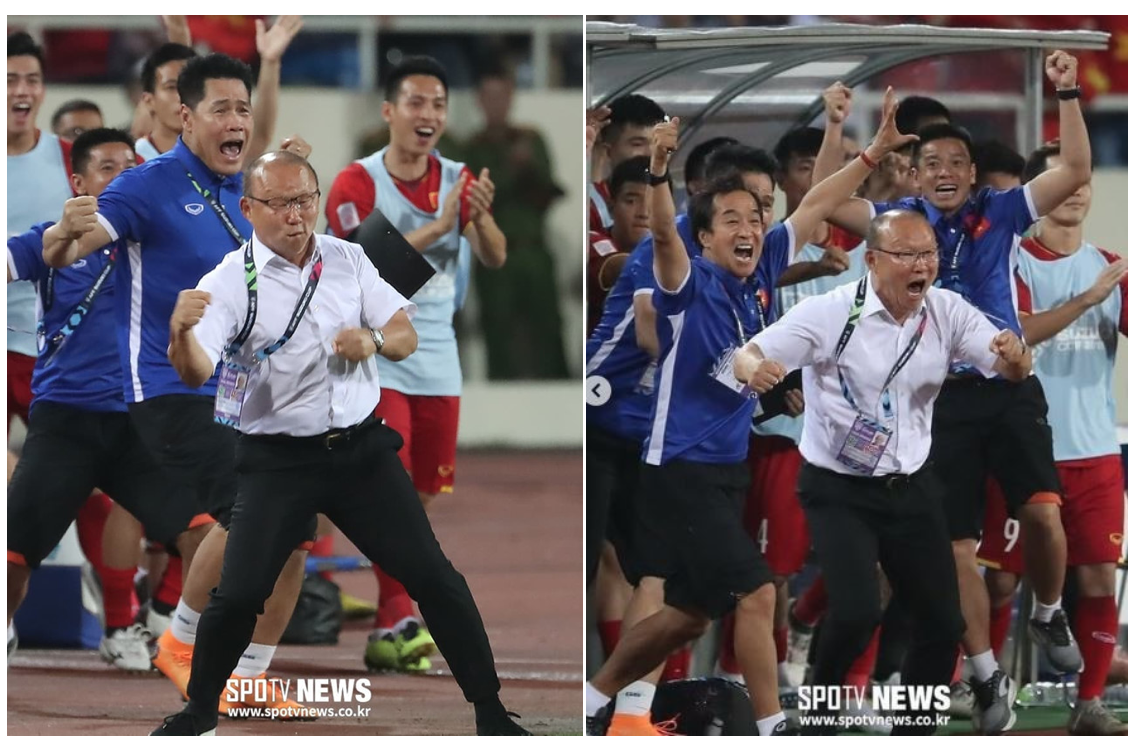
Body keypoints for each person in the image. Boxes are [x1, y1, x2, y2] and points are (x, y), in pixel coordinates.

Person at [149, 150, 529, 737]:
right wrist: (178, 333)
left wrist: (373, 340)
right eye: (279, 203)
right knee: (240, 593)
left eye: (305, 199)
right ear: (249, 209)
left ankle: (491, 711)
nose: (296, 214)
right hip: (275, 462)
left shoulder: (349, 258)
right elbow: (196, 372)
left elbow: (404, 334)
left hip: (361, 453)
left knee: (435, 578)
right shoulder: (225, 280)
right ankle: (199, 712)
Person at [585, 90, 916, 737]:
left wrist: (871, 149)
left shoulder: (762, 262)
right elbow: (661, 263)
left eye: (759, 212)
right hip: (676, 465)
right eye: (732, 216)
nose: (749, 225)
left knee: (687, 612)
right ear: (701, 233)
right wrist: (657, 171)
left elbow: (818, 202)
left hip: (722, 465)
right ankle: (772, 727)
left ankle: (601, 701)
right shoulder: (684, 277)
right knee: (757, 592)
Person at [823, 50, 1092, 734]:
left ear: (972, 175)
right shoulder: (897, 220)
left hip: (1006, 379)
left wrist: (1066, 91)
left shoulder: (1001, 212)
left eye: (955, 164)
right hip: (938, 402)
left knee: (1043, 515)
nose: (943, 173)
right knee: (952, 552)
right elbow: (819, 202)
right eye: (931, 163)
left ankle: (1046, 610)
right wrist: (851, 140)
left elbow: (1078, 170)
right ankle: (983, 672)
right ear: (915, 172)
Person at [42, 52, 310, 717]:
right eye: (220, 107)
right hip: (167, 386)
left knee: (298, 525)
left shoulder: (250, 187)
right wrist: (62, 238)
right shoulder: (146, 184)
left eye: (243, 108)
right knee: (250, 510)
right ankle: (181, 642)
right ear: (184, 116)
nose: (235, 121)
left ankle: (248, 673)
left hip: (243, 385)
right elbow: (80, 242)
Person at [733, 209, 1034, 734]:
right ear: (872, 260)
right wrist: (754, 371)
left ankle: (913, 733)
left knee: (943, 621)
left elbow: (1011, 365)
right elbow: (748, 353)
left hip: (911, 485)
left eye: (930, 255)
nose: (923, 265)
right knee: (855, 613)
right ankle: (819, 722)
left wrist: (1015, 357)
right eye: (908, 255)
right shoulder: (831, 313)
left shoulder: (948, 311)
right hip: (836, 488)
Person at [324, 54, 507, 674]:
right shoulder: (357, 182)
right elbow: (361, 266)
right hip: (377, 357)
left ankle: (389, 616)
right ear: (389, 112)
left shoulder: (458, 177)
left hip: (439, 359)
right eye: (415, 103)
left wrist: (476, 216)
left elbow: (497, 256)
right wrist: (440, 221)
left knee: (424, 492)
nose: (427, 115)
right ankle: (394, 619)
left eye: (437, 105)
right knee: (391, 487)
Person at [6, 128, 178, 672]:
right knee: (14, 554)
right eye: (108, 167)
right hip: (66, 423)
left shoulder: (157, 240)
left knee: (209, 529)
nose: (124, 175)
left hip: (138, 422)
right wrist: (58, 234)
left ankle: (177, 635)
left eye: (131, 165)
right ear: (78, 182)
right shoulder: (52, 240)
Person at [977, 143, 1127, 735]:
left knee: (1095, 578)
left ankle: (1087, 704)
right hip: (1023, 448)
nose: (1078, 189)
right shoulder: (1011, 265)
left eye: (1085, 180)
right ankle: (990, 691)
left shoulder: (1112, 264)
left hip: (1093, 453)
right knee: (1003, 580)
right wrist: (1087, 299)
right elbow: (1017, 333)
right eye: (1062, 181)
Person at [463, 64, 568, 379]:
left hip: (533, 248)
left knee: (548, 327)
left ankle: (559, 392)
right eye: (489, 97)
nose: (496, 104)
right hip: (493, 255)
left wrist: (529, 171)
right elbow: (471, 202)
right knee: (498, 329)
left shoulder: (531, 139)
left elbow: (548, 191)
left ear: (511, 98)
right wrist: (512, 171)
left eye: (501, 96)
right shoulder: (472, 149)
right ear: (480, 101)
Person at [134, 16, 302, 162]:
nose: (181, 96)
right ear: (148, 100)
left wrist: (270, 62)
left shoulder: (214, 158)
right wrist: (178, 33)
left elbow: (259, 138)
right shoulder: (130, 160)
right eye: (171, 87)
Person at [586, 155, 651, 334]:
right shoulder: (592, 240)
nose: (643, 213)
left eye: (654, 202)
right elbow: (617, 266)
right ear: (611, 206)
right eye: (631, 201)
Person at [588, 93, 666, 232]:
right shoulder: (590, 205)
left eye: (656, 144)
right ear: (608, 151)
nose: (650, 154)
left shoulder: (667, 199)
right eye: (637, 144)